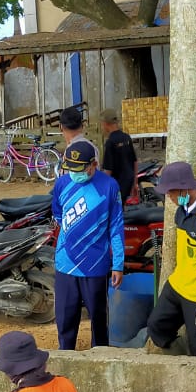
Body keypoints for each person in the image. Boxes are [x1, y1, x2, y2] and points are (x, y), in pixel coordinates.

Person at [147, 161, 196, 357]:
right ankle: (181, 360)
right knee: (156, 327)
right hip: (178, 283)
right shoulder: (182, 208)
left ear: (185, 189)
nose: (169, 197)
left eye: (171, 192)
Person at [52, 140, 124, 350]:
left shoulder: (109, 186)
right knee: (65, 320)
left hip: (95, 265)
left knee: (99, 320)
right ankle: (65, 358)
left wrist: (118, 264)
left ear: (93, 164)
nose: (75, 174)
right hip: (65, 263)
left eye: (80, 169)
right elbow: (58, 213)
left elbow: (116, 226)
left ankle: (100, 359)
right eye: (71, 169)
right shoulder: (62, 184)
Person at [99, 108, 137, 205]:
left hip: (117, 184)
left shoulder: (110, 142)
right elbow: (135, 161)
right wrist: (134, 183)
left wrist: (102, 187)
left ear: (105, 123)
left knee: (116, 210)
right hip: (128, 181)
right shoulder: (127, 137)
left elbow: (108, 170)